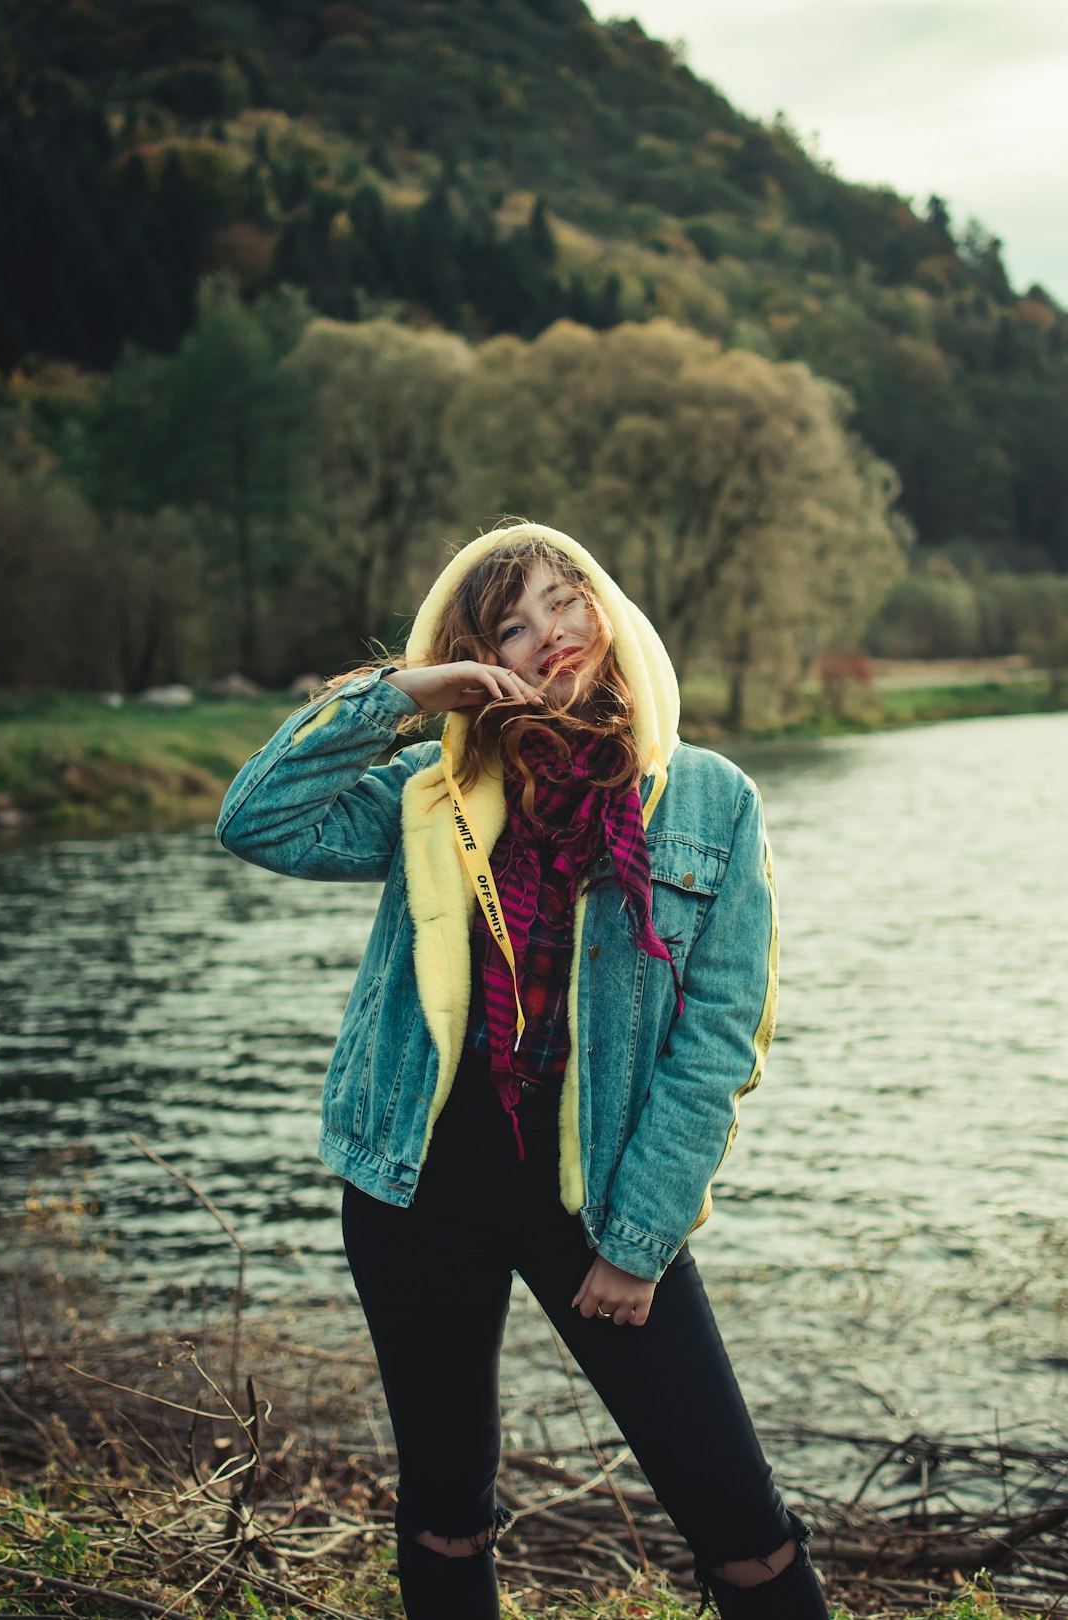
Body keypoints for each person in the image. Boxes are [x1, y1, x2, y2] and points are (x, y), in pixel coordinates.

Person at [216, 523, 830, 1620]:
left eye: (566, 600)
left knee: (742, 1524)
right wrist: (407, 693)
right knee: (448, 1506)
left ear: (608, 606)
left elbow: (721, 1039)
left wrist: (640, 1241)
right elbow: (257, 818)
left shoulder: (709, 800)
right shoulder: (432, 790)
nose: (551, 635)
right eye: (512, 624)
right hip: (416, 1193)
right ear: (482, 655)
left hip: (596, 1201)